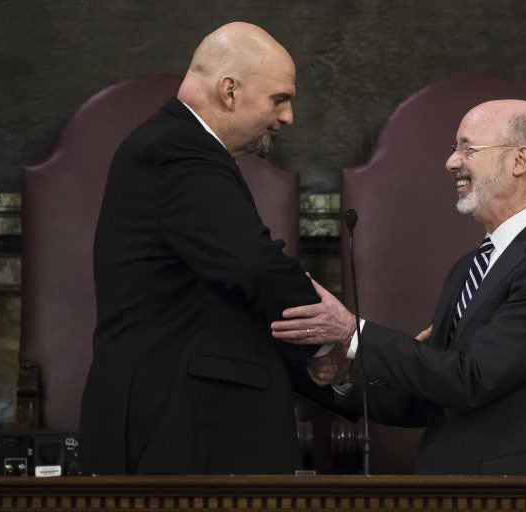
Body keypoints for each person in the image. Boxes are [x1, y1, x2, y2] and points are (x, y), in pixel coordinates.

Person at [271, 99, 526, 476]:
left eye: (467, 148)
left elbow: (473, 378)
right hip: (448, 488)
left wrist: (352, 332)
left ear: (520, 160)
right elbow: (429, 398)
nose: (451, 162)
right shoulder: (468, 268)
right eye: (454, 148)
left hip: (525, 493)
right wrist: (339, 375)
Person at [79, 22, 326, 475]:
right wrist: (335, 339)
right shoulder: (178, 149)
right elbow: (255, 264)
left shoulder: (175, 146)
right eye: (280, 98)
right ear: (229, 91)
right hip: (180, 430)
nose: (288, 116)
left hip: (185, 424)